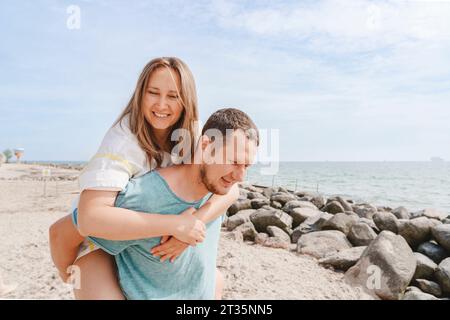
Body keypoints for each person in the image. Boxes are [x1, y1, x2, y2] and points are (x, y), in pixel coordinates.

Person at [49, 57, 239, 299]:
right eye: (153, 93)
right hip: (99, 239)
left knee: (215, 282)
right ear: (141, 94)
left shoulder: (192, 134)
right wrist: (175, 225)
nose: (161, 105)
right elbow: (89, 219)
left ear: (186, 100)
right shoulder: (122, 141)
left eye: (173, 96)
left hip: (144, 240)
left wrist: (193, 226)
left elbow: (232, 187)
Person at [73, 108, 259, 299]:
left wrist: (194, 225)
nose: (240, 176)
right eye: (233, 161)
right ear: (205, 146)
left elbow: (233, 193)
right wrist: (73, 274)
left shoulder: (218, 189)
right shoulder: (145, 196)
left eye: (246, 165)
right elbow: (68, 234)